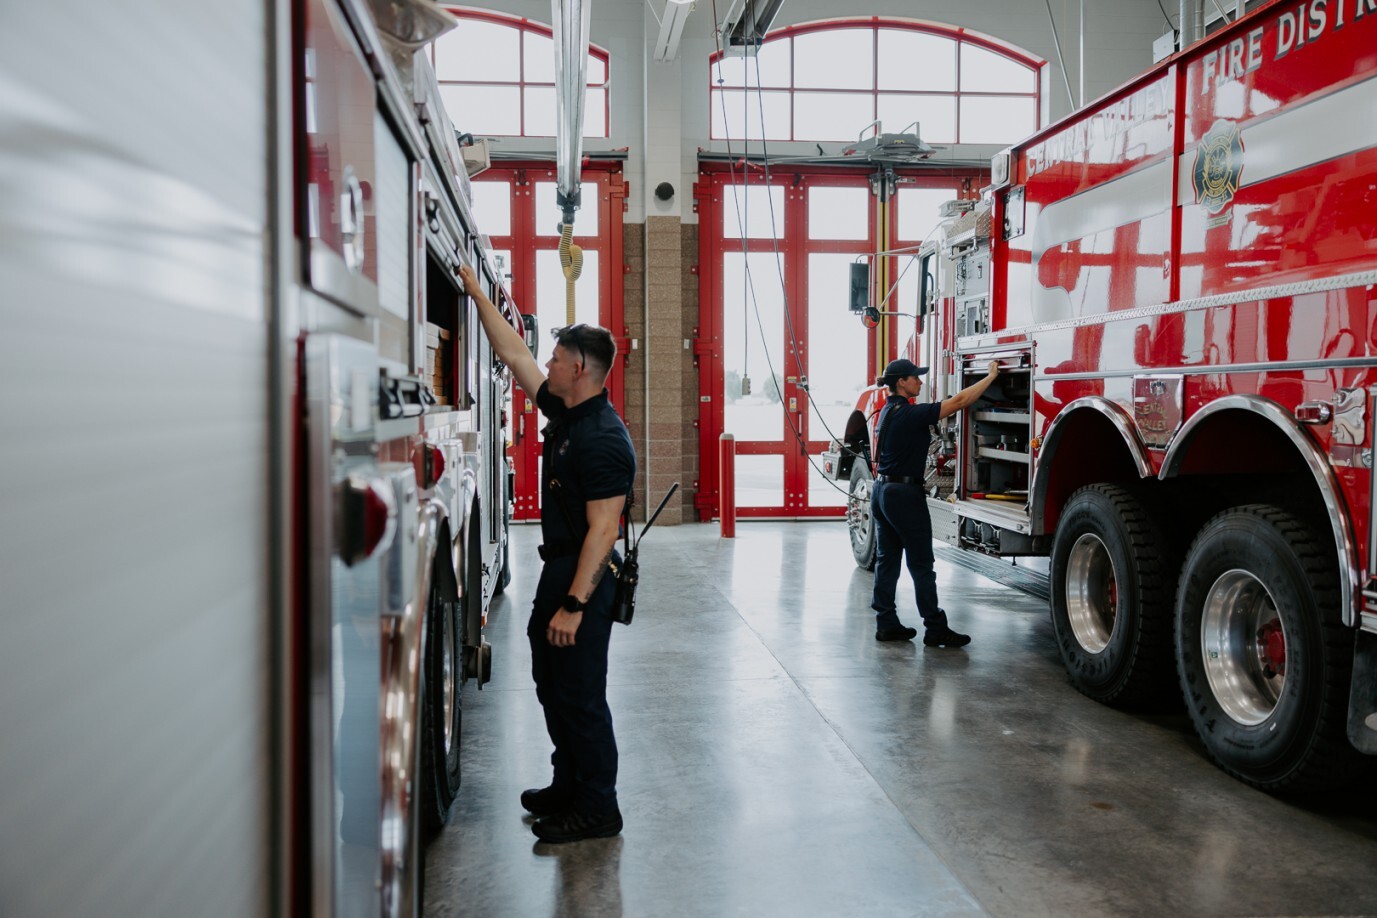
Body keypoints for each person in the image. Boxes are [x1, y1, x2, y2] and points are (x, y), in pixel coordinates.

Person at [460, 264, 635, 844]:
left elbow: (604, 530)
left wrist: (575, 605)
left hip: (585, 577)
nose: (549, 364)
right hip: (560, 567)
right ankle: (569, 785)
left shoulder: (604, 438)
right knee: (551, 684)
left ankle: (598, 808)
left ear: (579, 368)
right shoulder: (569, 414)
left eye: (557, 358)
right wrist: (479, 294)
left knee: (581, 694)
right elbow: (515, 356)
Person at [870, 357, 1000, 646]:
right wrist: (990, 377)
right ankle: (935, 627)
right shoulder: (908, 413)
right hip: (903, 495)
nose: (920, 381)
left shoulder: (887, 412)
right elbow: (960, 401)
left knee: (887, 561)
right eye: (915, 377)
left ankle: (886, 623)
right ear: (901, 382)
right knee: (921, 563)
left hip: (881, 492)